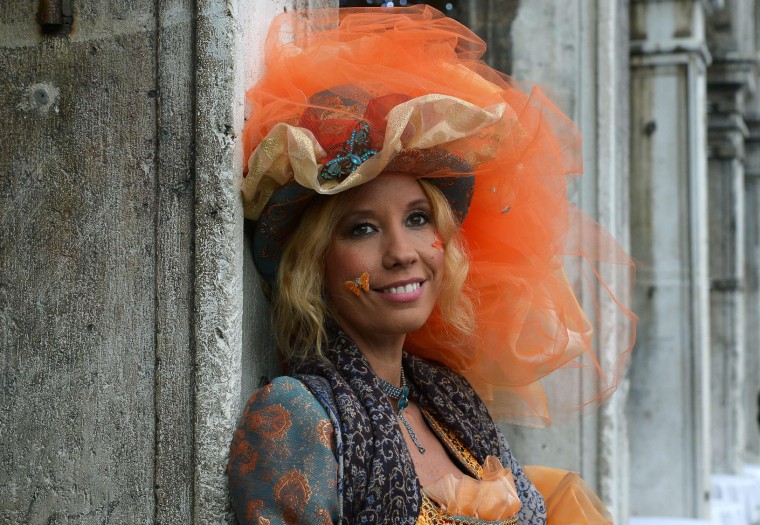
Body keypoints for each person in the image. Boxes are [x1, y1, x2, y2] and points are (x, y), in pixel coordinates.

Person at [229, 6, 636, 524]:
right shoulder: (296, 417)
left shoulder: (448, 400)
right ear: (313, 263)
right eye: (363, 228)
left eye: (418, 219)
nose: (404, 253)